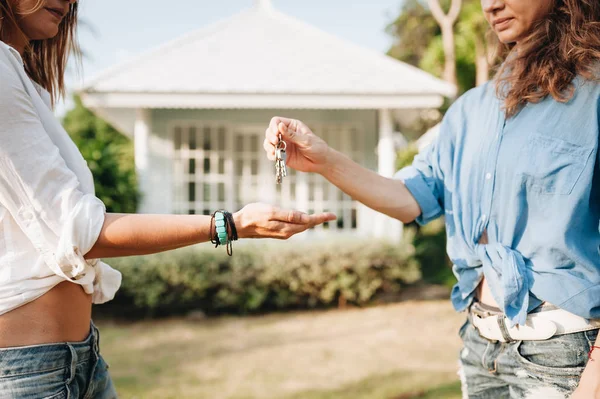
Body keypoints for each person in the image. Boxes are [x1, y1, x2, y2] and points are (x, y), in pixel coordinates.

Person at [264, 0, 600, 397]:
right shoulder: (469, 111)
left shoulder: (593, 96)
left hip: (565, 358)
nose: (491, 4)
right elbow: (410, 199)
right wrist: (325, 159)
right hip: (481, 350)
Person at [0, 0, 335, 397]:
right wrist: (230, 225)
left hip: (77, 358)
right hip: (30, 373)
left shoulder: (21, 79)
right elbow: (80, 230)